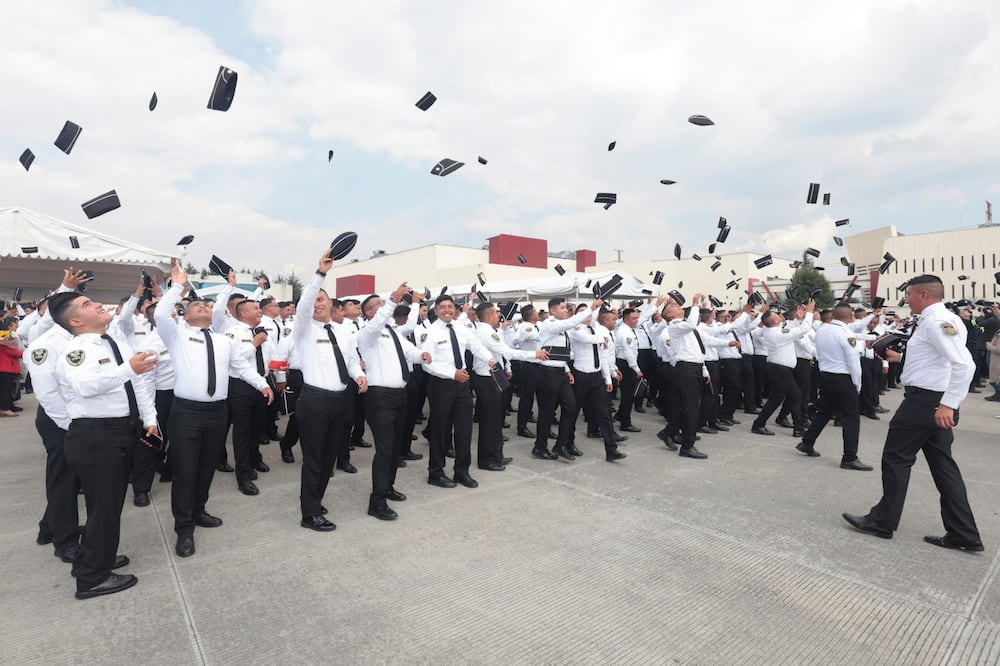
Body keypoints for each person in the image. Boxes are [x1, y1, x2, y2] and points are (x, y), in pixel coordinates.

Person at [844, 275, 983, 551]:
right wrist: (900, 359)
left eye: (908, 294)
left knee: (896, 457)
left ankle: (883, 521)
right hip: (933, 398)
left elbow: (964, 365)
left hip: (926, 402)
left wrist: (949, 403)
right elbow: (936, 359)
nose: (906, 299)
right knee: (944, 467)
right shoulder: (942, 319)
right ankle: (964, 533)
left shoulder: (934, 322)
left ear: (923, 295)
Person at [156, 266, 273, 556]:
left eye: (206, 304)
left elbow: (240, 366)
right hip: (186, 412)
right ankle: (183, 529)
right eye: (196, 305)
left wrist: (261, 384)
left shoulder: (223, 341)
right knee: (185, 471)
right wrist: (177, 287)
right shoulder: (178, 336)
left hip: (217, 412)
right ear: (184, 315)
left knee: (206, 466)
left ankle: (198, 511)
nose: (203, 306)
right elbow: (160, 314)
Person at [50, 291, 159, 599]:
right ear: (75, 321)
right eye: (86, 305)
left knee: (105, 507)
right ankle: (92, 578)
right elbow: (86, 386)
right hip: (96, 435)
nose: (97, 304)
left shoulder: (113, 343)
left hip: (119, 431)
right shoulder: (78, 349)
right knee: (105, 510)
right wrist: (129, 369)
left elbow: (136, 382)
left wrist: (150, 417)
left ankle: (92, 558)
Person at [293, 252, 367, 531]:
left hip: (341, 400)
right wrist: (320, 274)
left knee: (329, 459)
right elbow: (303, 305)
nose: (316, 304)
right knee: (313, 458)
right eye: (313, 300)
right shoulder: (303, 329)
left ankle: (315, 500)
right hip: (314, 401)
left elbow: (349, 361)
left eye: (321, 299)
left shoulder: (343, 332)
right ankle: (309, 513)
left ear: (331, 304)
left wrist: (359, 376)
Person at [357, 285, 429, 520]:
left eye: (383, 303)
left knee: (395, 448)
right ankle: (376, 502)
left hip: (400, 395)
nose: (383, 307)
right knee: (385, 449)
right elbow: (378, 322)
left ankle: (388, 487)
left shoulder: (394, 332)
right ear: (368, 313)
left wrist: (421, 355)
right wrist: (391, 300)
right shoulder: (368, 333)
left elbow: (409, 351)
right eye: (376, 305)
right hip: (380, 397)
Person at [420, 294, 495, 487]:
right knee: (440, 431)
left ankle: (462, 472)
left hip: (462, 385)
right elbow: (427, 364)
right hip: (441, 385)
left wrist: (490, 359)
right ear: (436, 310)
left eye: (450, 306)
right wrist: (452, 373)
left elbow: (477, 347)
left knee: (464, 429)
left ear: (455, 309)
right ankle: (435, 473)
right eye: (443, 307)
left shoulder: (461, 329)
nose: (447, 310)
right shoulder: (430, 332)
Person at [795, 303, 873, 470]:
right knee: (851, 418)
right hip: (843, 378)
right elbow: (853, 362)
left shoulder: (823, 330)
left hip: (826, 375)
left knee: (825, 411)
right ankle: (849, 457)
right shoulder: (846, 333)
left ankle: (807, 442)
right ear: (851, 317)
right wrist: (857, 384)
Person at [533, 296, 604, 460]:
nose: (566, 311)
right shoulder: (550, 324)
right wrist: (591, 308)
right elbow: (570, 322)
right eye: (563, 308)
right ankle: (540, 446)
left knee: (571, 407)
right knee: (547, 412)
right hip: (547, 373)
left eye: (567, 308)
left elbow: (562, 352)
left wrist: (566, 370)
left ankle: (561, 444)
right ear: (552, 310)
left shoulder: (564, 329)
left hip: (560, 372)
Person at [750, 302, 815, 437]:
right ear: (774, 321)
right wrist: (808, 313)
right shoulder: (777, 334)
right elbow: (803, 329)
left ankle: (797, 428)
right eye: (777, 316)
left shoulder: (771, 330)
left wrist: (797, 318)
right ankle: (759, 424)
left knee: (792, 396)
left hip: (780, 370)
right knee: (778, 398)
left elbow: (788, 328)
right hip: (780, 370)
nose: (780, 316)